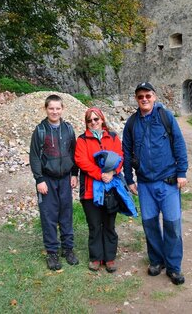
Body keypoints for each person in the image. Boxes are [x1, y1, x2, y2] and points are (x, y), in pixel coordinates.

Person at [122, 82, 188, 285]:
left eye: (147, 96)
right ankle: (156, 261)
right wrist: (129, 179)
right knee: (150, 225)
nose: (144, 99)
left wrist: (182, 172)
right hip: (145, 184)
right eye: (140, 96)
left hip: (167, 181)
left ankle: (174, 266)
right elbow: (126, 151)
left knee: (172, 225)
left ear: (154, 97)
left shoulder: (165, 117)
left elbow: (178, 143)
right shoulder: (132, 123)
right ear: (136, 99)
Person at [29, 94, 79, 271]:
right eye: (51, 108)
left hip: (65, 178)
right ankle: (52, 252)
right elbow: (34, 156)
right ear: (46, 109)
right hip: (47, 180)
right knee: (49, 216)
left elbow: (74, 153)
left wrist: (74, 174)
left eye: (58, 108)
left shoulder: (68, 129)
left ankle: (68, 249)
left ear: (63, 109)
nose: (55, 111)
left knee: (66, 214)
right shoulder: (40, 130)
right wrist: (39, 179)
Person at [74, 107, 123, 273]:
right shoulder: (82, 140)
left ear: (102, 119)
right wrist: (99, 174)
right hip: (90, 189)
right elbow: (81, 160)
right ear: (86, 123)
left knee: (109, 224)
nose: (93, 122)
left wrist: (112, 172)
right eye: (90, 120)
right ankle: (96, 257)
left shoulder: (113, 137)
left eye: (96, 119)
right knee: (94, 225)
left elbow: (119, 157)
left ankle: (109, 258)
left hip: (110, 189)